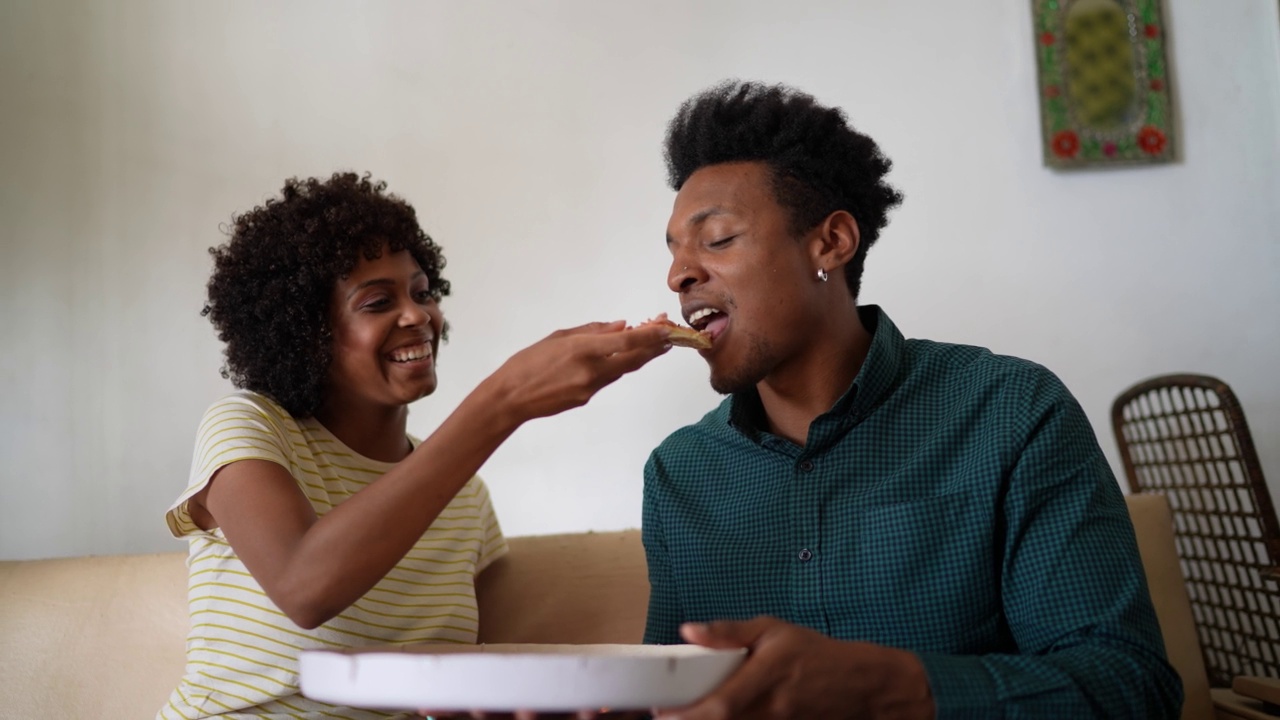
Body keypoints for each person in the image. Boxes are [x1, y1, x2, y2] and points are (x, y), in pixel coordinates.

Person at [641, 81, 1183, 719]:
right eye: (674, 250)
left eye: (717, 239)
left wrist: (886, 687)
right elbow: (665, 697)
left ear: (831, 243)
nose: (679, 274)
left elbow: (1129, 688)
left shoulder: (1012, 412)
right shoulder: (677, 474)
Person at [157, 172, 672, 719]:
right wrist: (503, 401)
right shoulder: (249, 427)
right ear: (306, 329)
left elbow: (479, 680)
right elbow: (303, 587)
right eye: (378, 301)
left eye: (423, 292)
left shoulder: (465, 498)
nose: (418, 316)